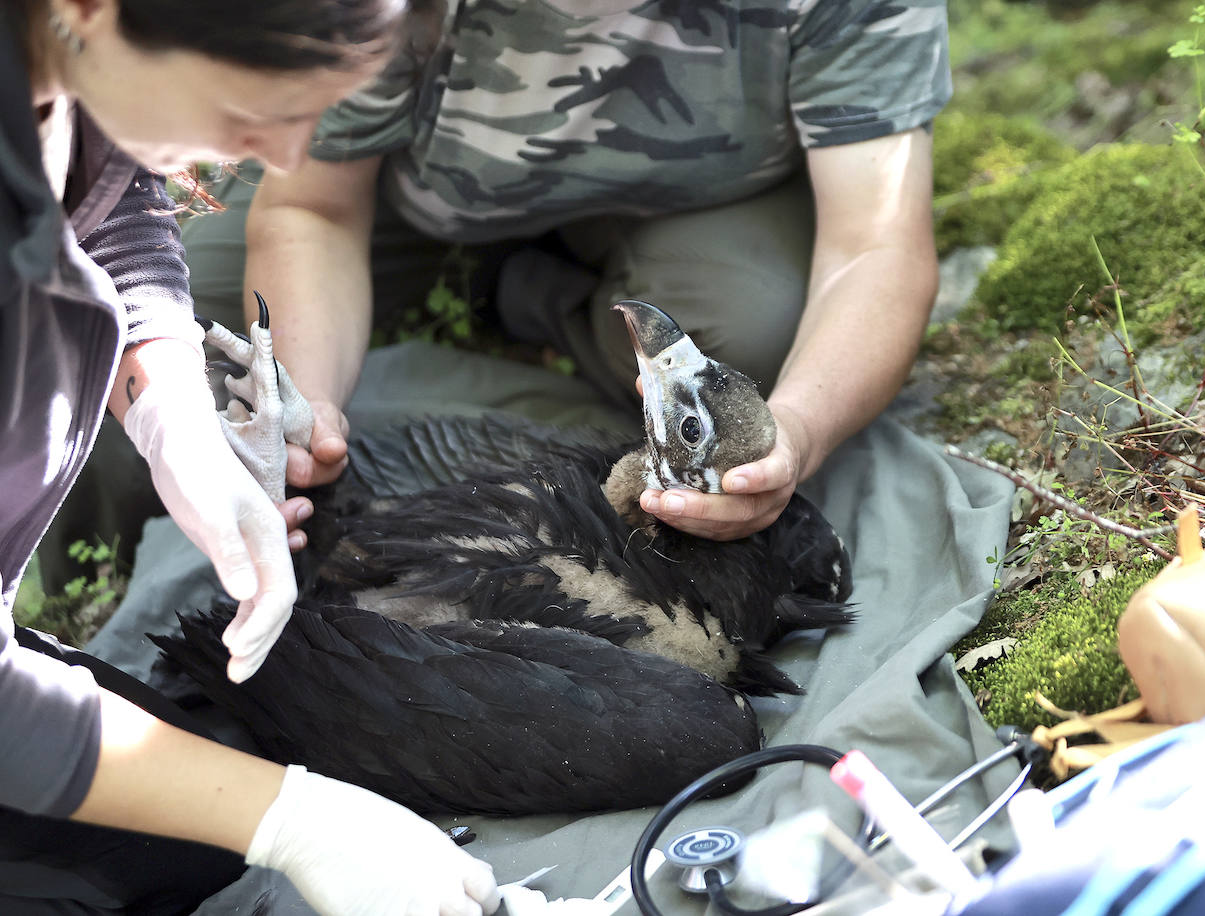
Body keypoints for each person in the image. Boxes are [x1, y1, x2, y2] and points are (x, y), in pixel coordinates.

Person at [63, 0, 948, 565]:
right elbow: (313, 210)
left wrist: (794, 434)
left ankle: (535, 296)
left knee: (737, 376)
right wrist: (306, 408)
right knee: (123, 359)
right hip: (389, 192)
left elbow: (875, 242)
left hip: (699, 200)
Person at [1, 1, 499, 913]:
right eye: (253, 108)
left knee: (171, 851)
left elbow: (109, 204)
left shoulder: (60, 60)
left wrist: (171, 410)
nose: (282, 155)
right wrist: (298, 821)